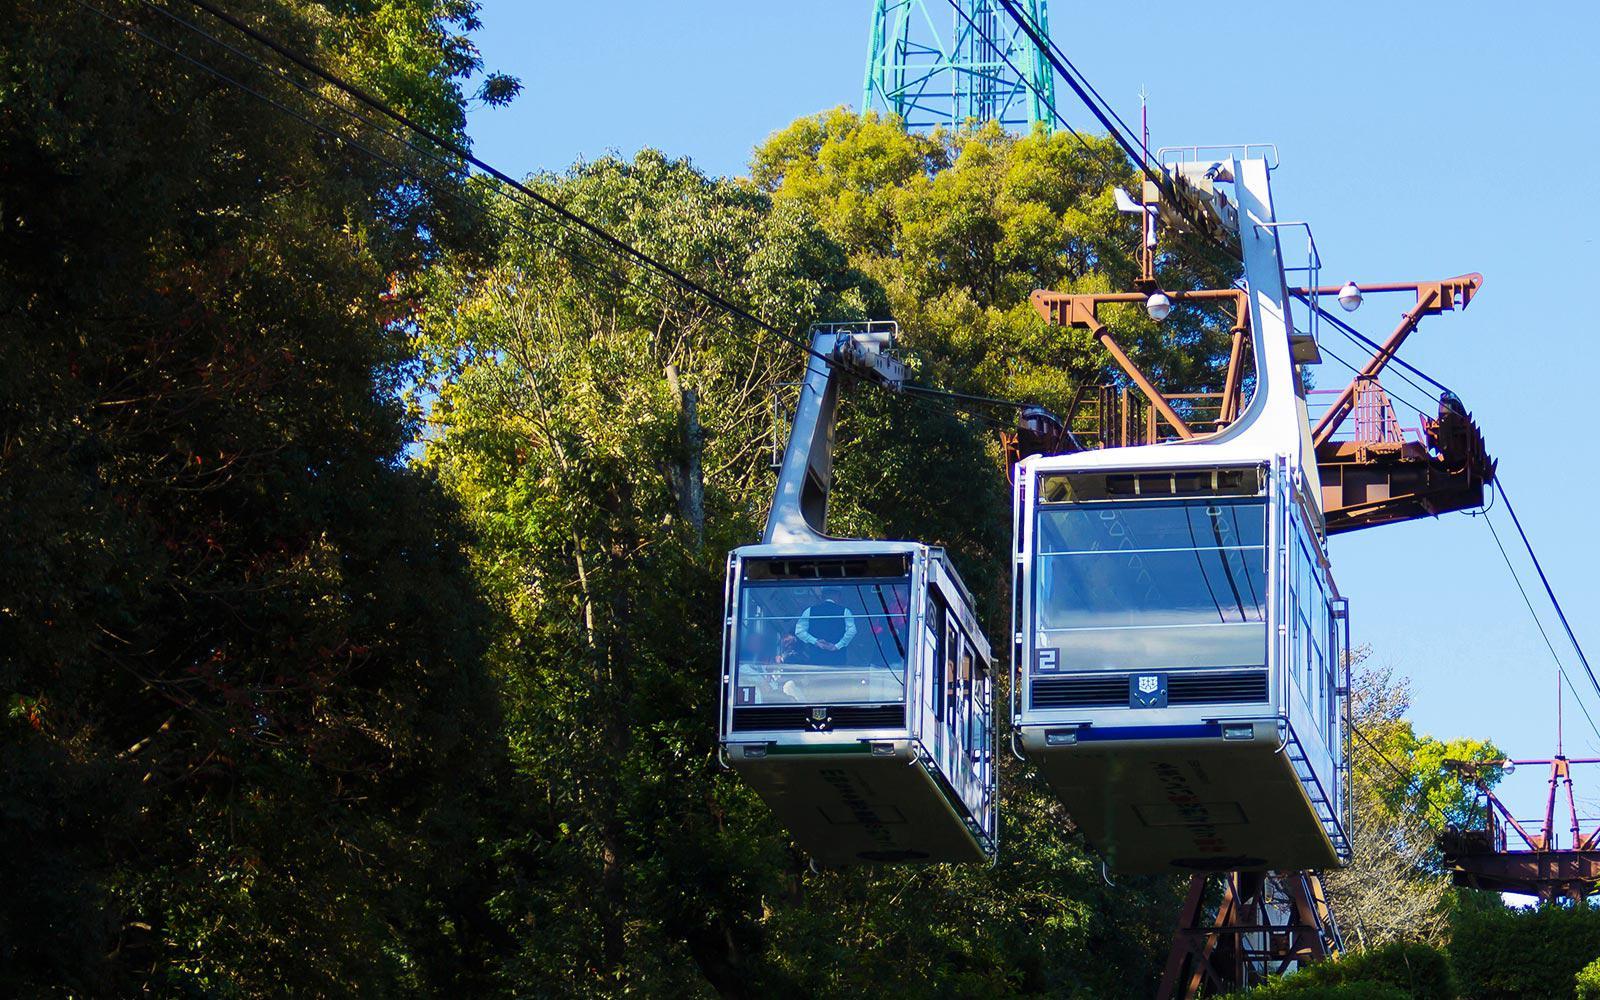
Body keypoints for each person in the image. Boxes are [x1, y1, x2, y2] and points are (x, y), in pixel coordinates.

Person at [794, 586, 857, 666]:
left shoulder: (809, 611)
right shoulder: (845, 611)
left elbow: (799, 631)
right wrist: (837, 646)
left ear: (822, 596)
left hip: (816, 660)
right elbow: (852, 631)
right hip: (838, 661)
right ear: (838, 596)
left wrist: (815, 642)